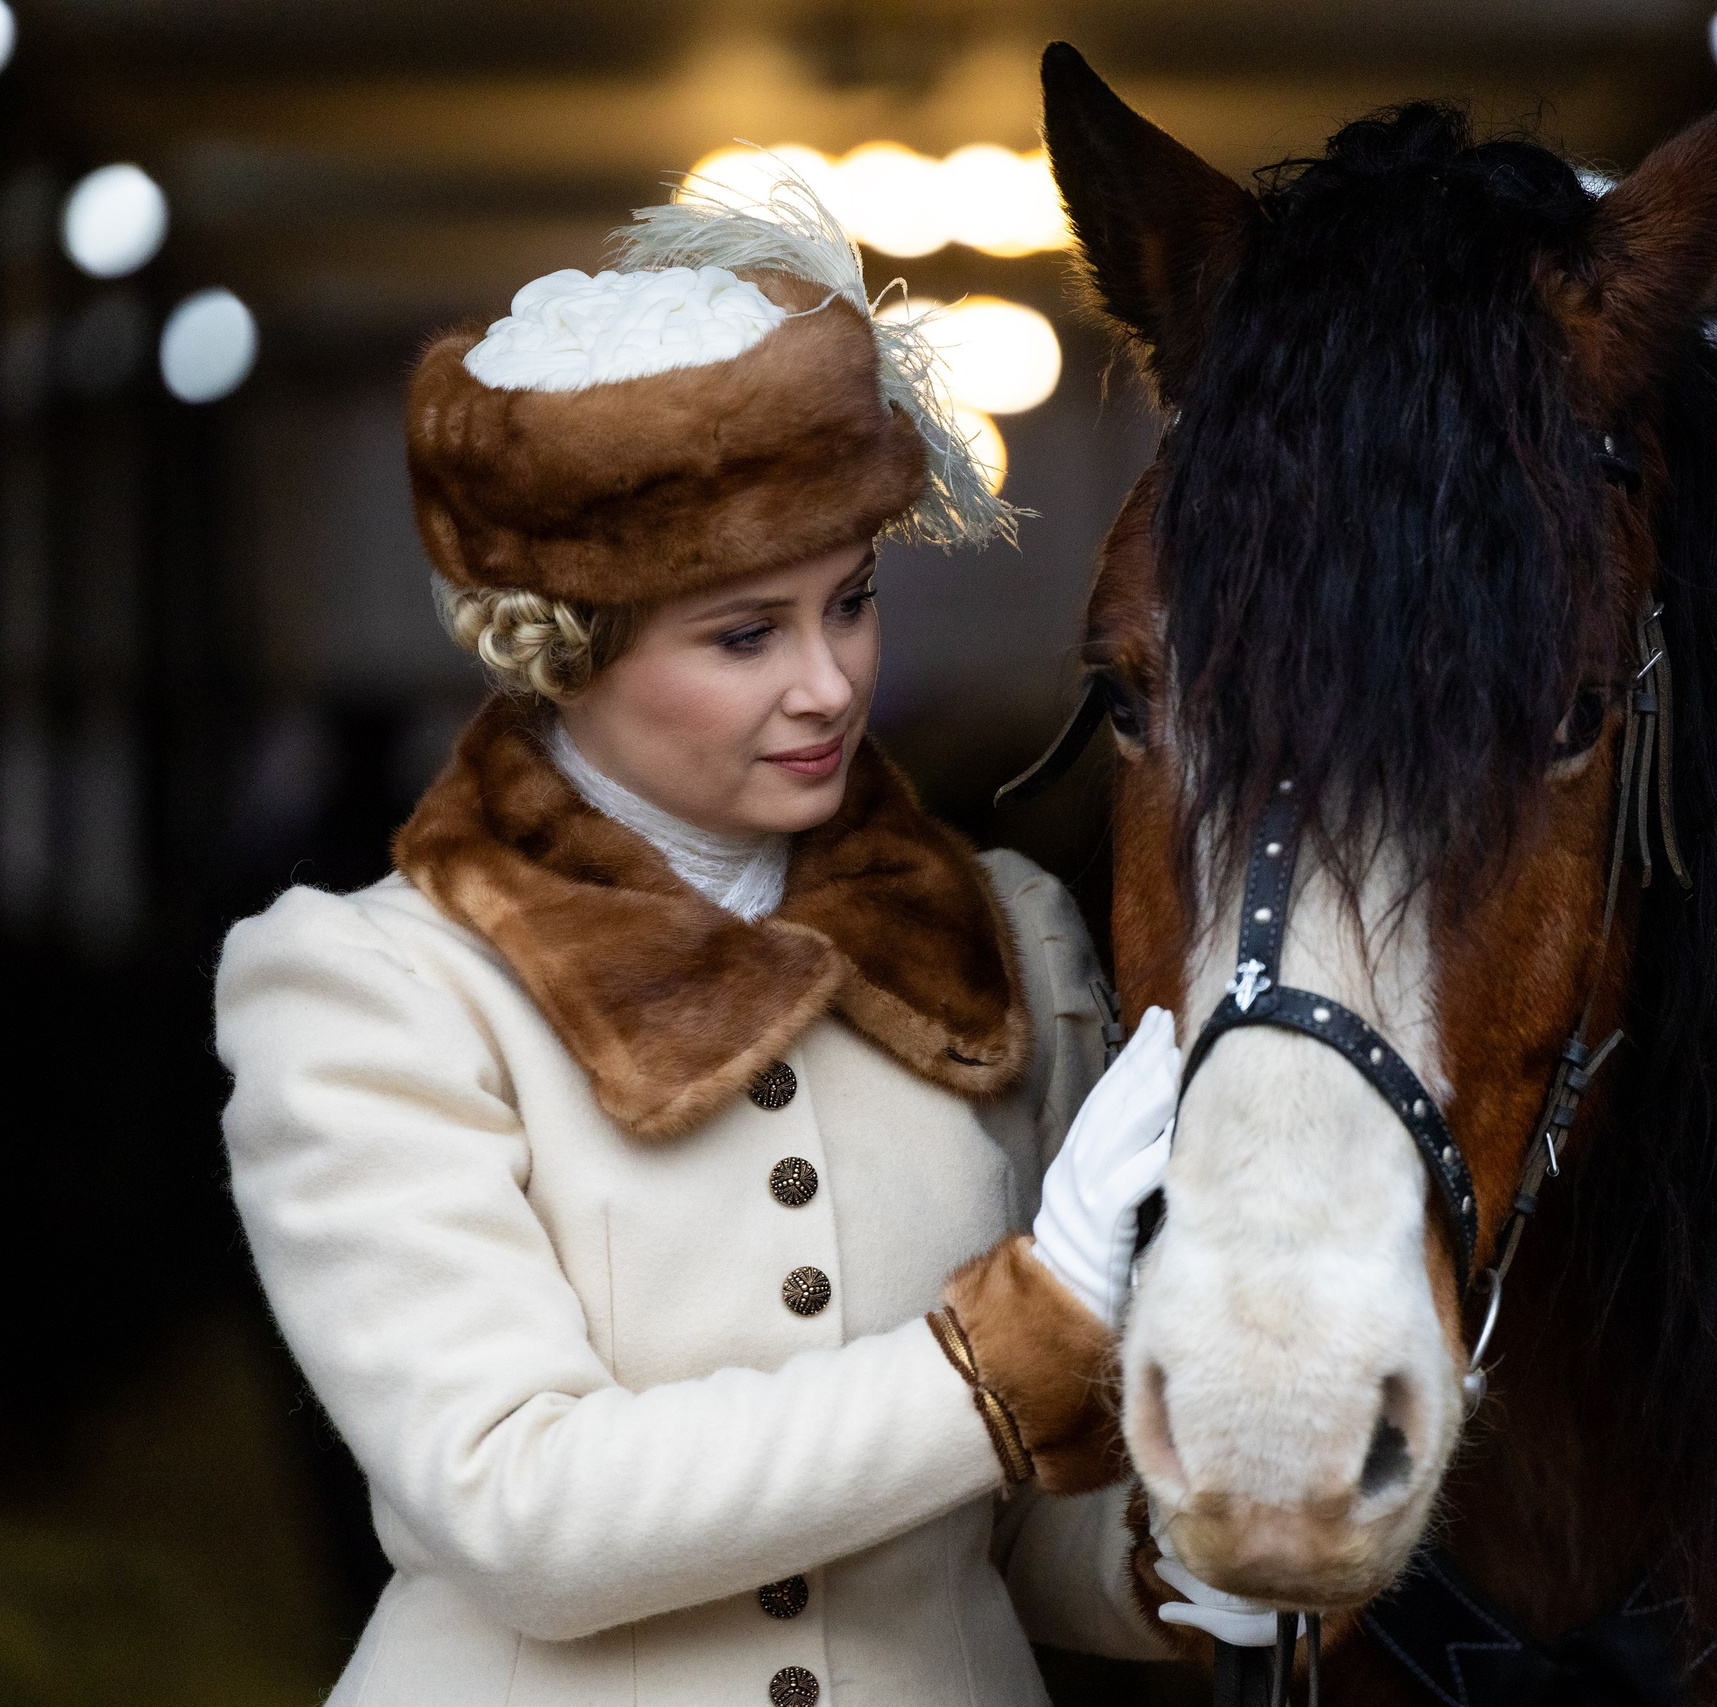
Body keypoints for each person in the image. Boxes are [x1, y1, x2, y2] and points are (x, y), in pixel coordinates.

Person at [214, 183, 1184, 1707]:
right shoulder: (370, 995)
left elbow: (993, 1531)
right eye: (745, 635)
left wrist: (1201, 1556)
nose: (831, 684)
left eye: (851, 603)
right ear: (567, 646)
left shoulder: (1009, 940)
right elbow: (526, 1514)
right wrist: (1002, 1353)